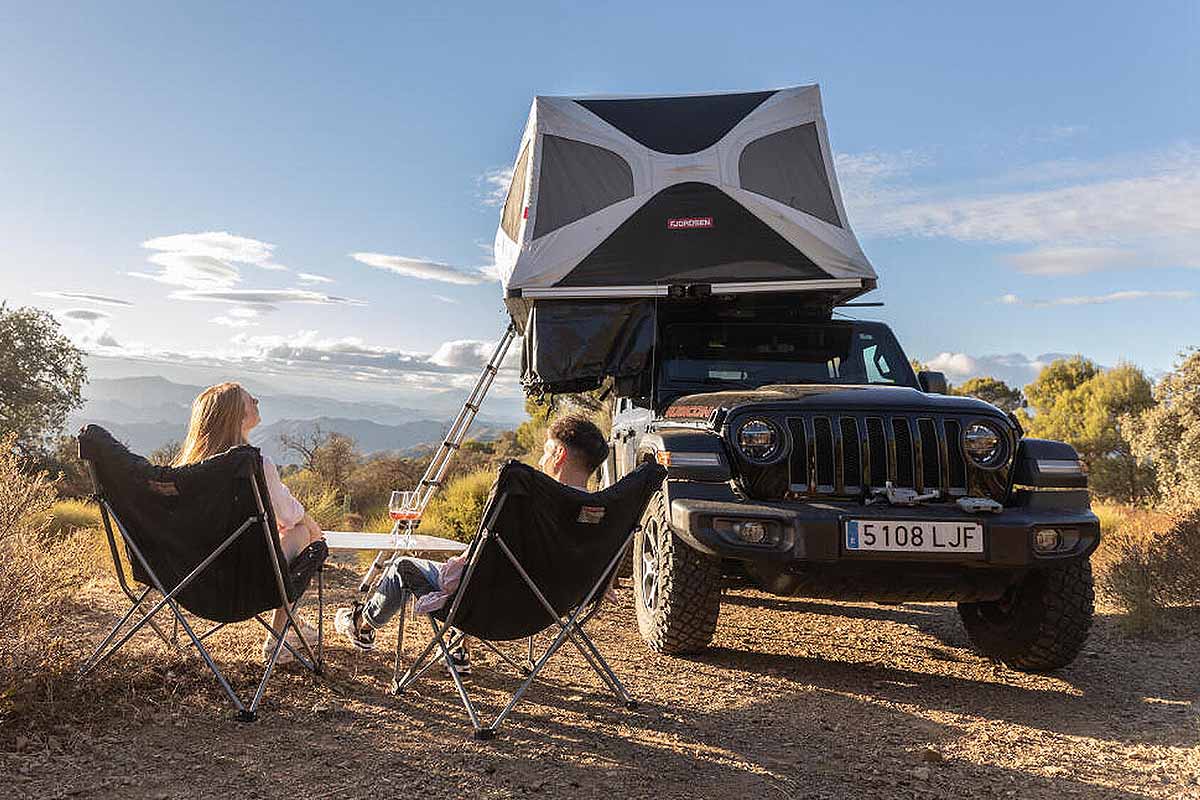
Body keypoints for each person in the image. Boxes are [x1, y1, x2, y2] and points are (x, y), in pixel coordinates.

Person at [335, 414, 610, 673]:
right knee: (484, 573)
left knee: (402, 566)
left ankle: (362, 624)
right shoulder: (600, 515)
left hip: (485, 608)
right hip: (545, 612)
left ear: (559, 455)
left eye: (546, 450)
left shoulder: (529, 504)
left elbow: (483, 563)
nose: (540, 460)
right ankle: (456, 650)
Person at [174, 382, 325, 663]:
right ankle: (278, 637)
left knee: (293, 530)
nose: (257, 401)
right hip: (244, 588)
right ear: (237, 416)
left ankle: (292, 624)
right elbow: (289, 515)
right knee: (303, 531)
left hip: (191, 582)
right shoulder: (253, 463)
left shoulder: (185, 471)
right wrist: (312, 526)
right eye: (251, 400)